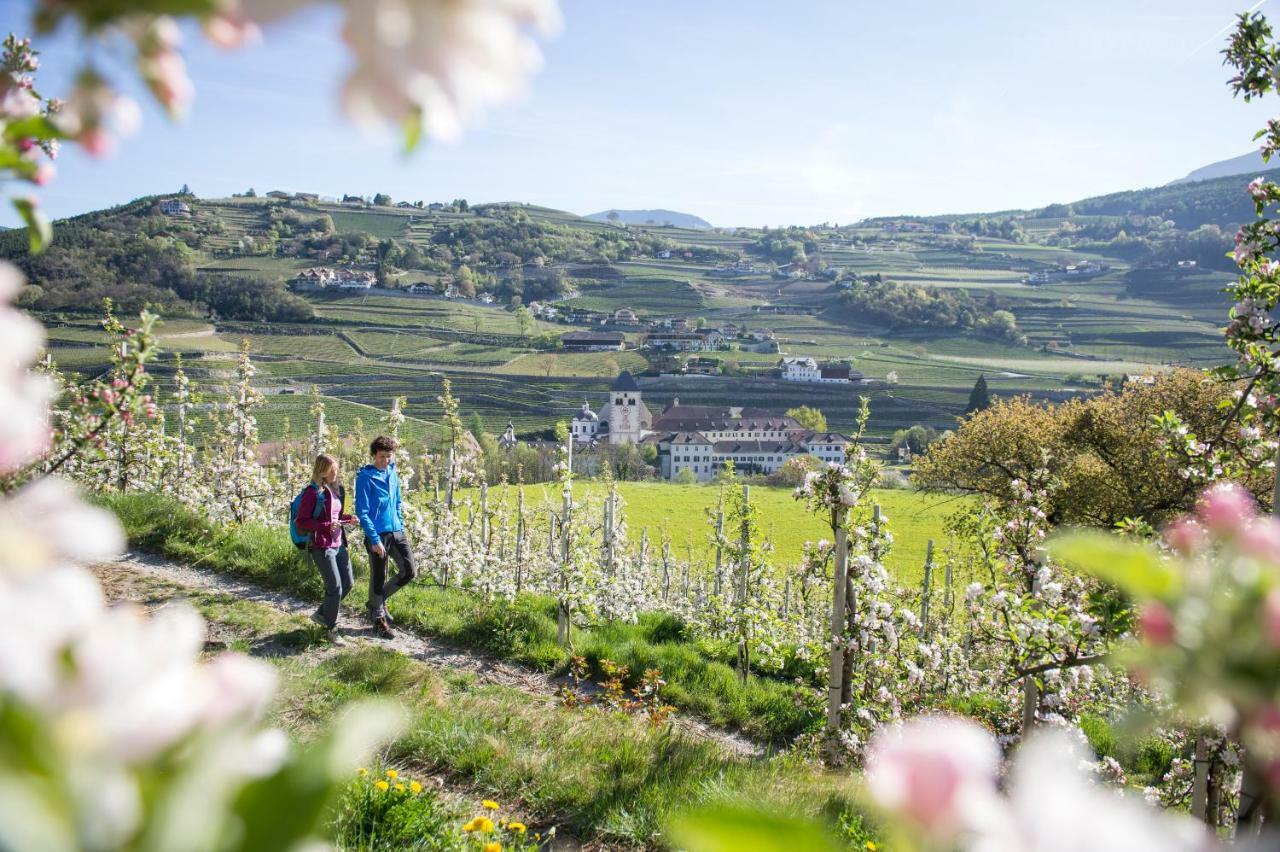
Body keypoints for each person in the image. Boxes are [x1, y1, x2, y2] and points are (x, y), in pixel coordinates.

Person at [356, 434, 416, 637]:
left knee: (409, 571)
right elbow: (362, 511)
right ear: (374, 455)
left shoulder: (392, 473)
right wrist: (374, 539)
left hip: (397, 531)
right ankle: (378, 620)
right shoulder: (365, 477)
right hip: (378, 535)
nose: (386, 460)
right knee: (378, 577)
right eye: (382, 456)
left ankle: (376, 602)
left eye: (389, 456)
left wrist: (400, 522)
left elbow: (397, 501)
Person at [295, 453, 357, 645]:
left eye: (336, 470)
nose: (335, 474)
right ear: (321, 471)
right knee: (335, 587)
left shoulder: (333, 489)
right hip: (321, 546)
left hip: (338, 544)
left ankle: (323, 614)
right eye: (332, 471)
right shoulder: (312, 493)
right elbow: (302, 520)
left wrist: (349, 519)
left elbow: (335, 516)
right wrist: (324, 527)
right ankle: (331, 630)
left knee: (347, 583)